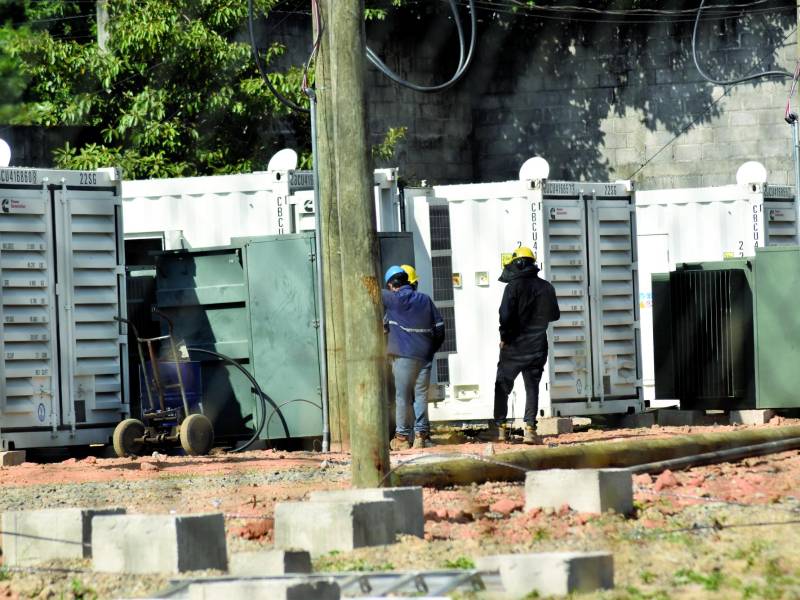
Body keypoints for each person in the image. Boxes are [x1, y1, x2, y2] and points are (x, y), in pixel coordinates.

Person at [492, 246, 560, 444]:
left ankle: (501, 429)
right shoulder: (546, 287)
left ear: (519, 263)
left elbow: (504, 315)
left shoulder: (512, 287)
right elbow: (555, 315)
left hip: (513, 347)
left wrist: (504, 336)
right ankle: (530, 429)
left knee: (502, 386)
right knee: (532, 387)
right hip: (537, 347)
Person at [382, 265, 445, 450]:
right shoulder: (425, 300)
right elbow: (440, 329)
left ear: (393, 285)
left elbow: (370, 289)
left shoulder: (392, 299)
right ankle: (421, 436)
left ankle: (401, 439)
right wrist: (431, 350)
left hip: (403, 357)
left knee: (402, 398)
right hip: (424, 357)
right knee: (420, 396)